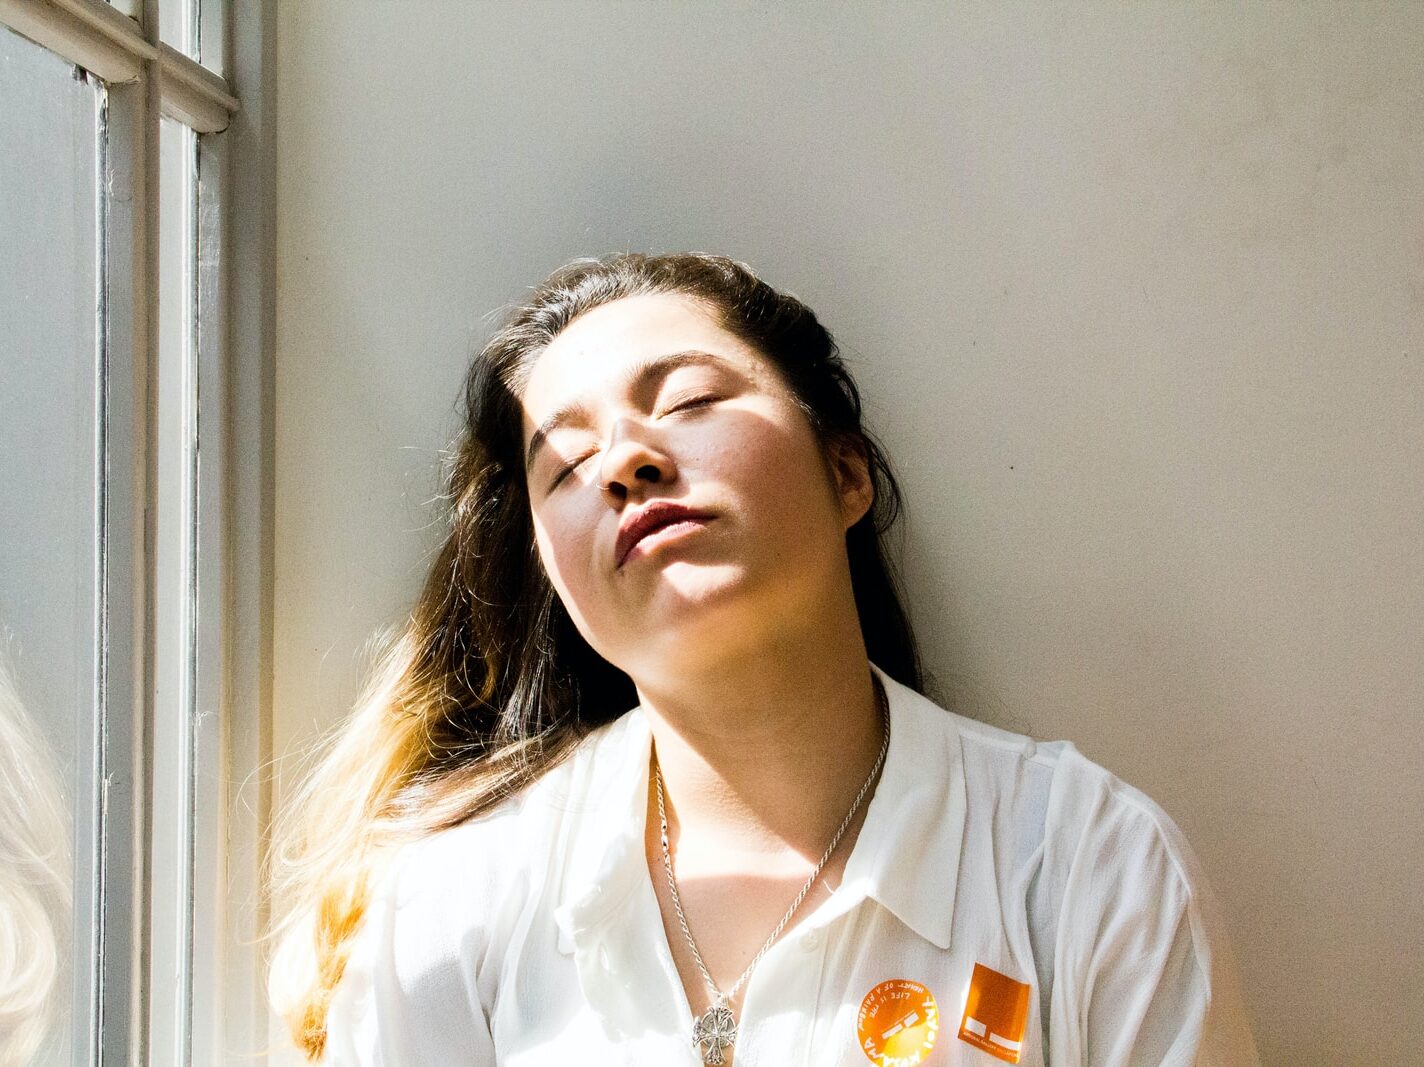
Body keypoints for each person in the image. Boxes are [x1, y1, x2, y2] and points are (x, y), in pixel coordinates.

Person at [265, 251, 1261, 1066]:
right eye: (566, 463)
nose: (625, 461)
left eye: (690, 400)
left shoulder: (1083, 865)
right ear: (554, 575)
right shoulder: (450, 907)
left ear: (845, 472)